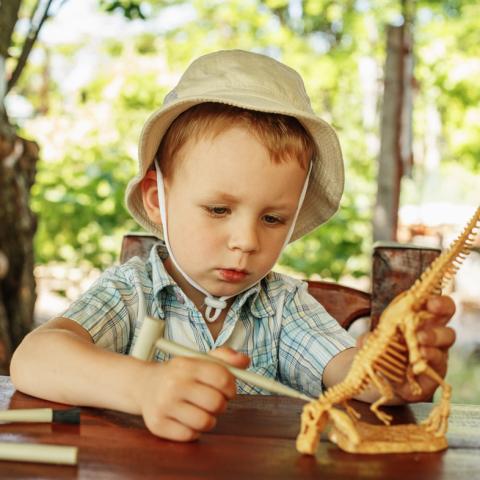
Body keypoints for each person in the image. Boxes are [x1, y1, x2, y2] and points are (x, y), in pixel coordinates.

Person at [10, 50, 456, 442]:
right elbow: (33, 359)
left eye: (272, 218)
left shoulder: (282, 307)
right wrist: (144, 386)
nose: (246, 242)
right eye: (219, 210)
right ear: (157, 201)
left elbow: (350, 375)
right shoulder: (132, 292)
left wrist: (390, 374)